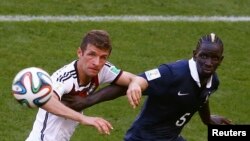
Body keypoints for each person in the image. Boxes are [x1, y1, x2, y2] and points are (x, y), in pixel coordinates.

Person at [62, 33, 233, 141]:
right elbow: (132, 83)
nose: (208, 63)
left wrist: (208, 120)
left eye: (214, 58)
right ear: (195, 55)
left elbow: (202, 97)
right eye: (204, 56)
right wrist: (85, 102)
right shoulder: (172, 73)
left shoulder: (212, 81)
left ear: (221, 60)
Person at [26, 30, 145, 141]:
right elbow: (45, 100)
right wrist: (84, 119)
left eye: (103, 57)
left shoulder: (103, 69)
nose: (96, 63)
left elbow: (138, 79)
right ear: (80, 52)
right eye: (91, 54)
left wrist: (134, 83)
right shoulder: (64, 77)